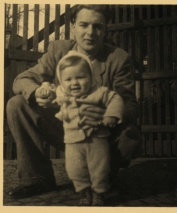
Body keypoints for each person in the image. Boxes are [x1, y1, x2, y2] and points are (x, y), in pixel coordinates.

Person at [6, 4, 141, 199]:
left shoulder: (118, 59)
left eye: (97, 26)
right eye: (84, 25)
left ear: (105, 29)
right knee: (17, 104)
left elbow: (130, 105)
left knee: (130, 135)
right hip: (65, 127)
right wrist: (38, 93)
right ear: (73, 26)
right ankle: (36, 179)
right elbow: (21, 80)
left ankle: (102, 180)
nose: (90, 33)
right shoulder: (58, 50)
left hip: (101, 134)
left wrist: (107, 116)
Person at [49, 50, 124, 206]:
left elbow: (115, 99)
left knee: (100, 168)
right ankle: (83, 191)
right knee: (74, 169)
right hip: (72, 141)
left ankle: (99, 192)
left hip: (97, 139)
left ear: (91, 77)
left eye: (80, 77)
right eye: (68, 79)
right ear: (61, 82)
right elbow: (49, 93)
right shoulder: (63, 96)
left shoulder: (99, 92)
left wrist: (111, 115)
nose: (74, 83)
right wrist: (44, 90)